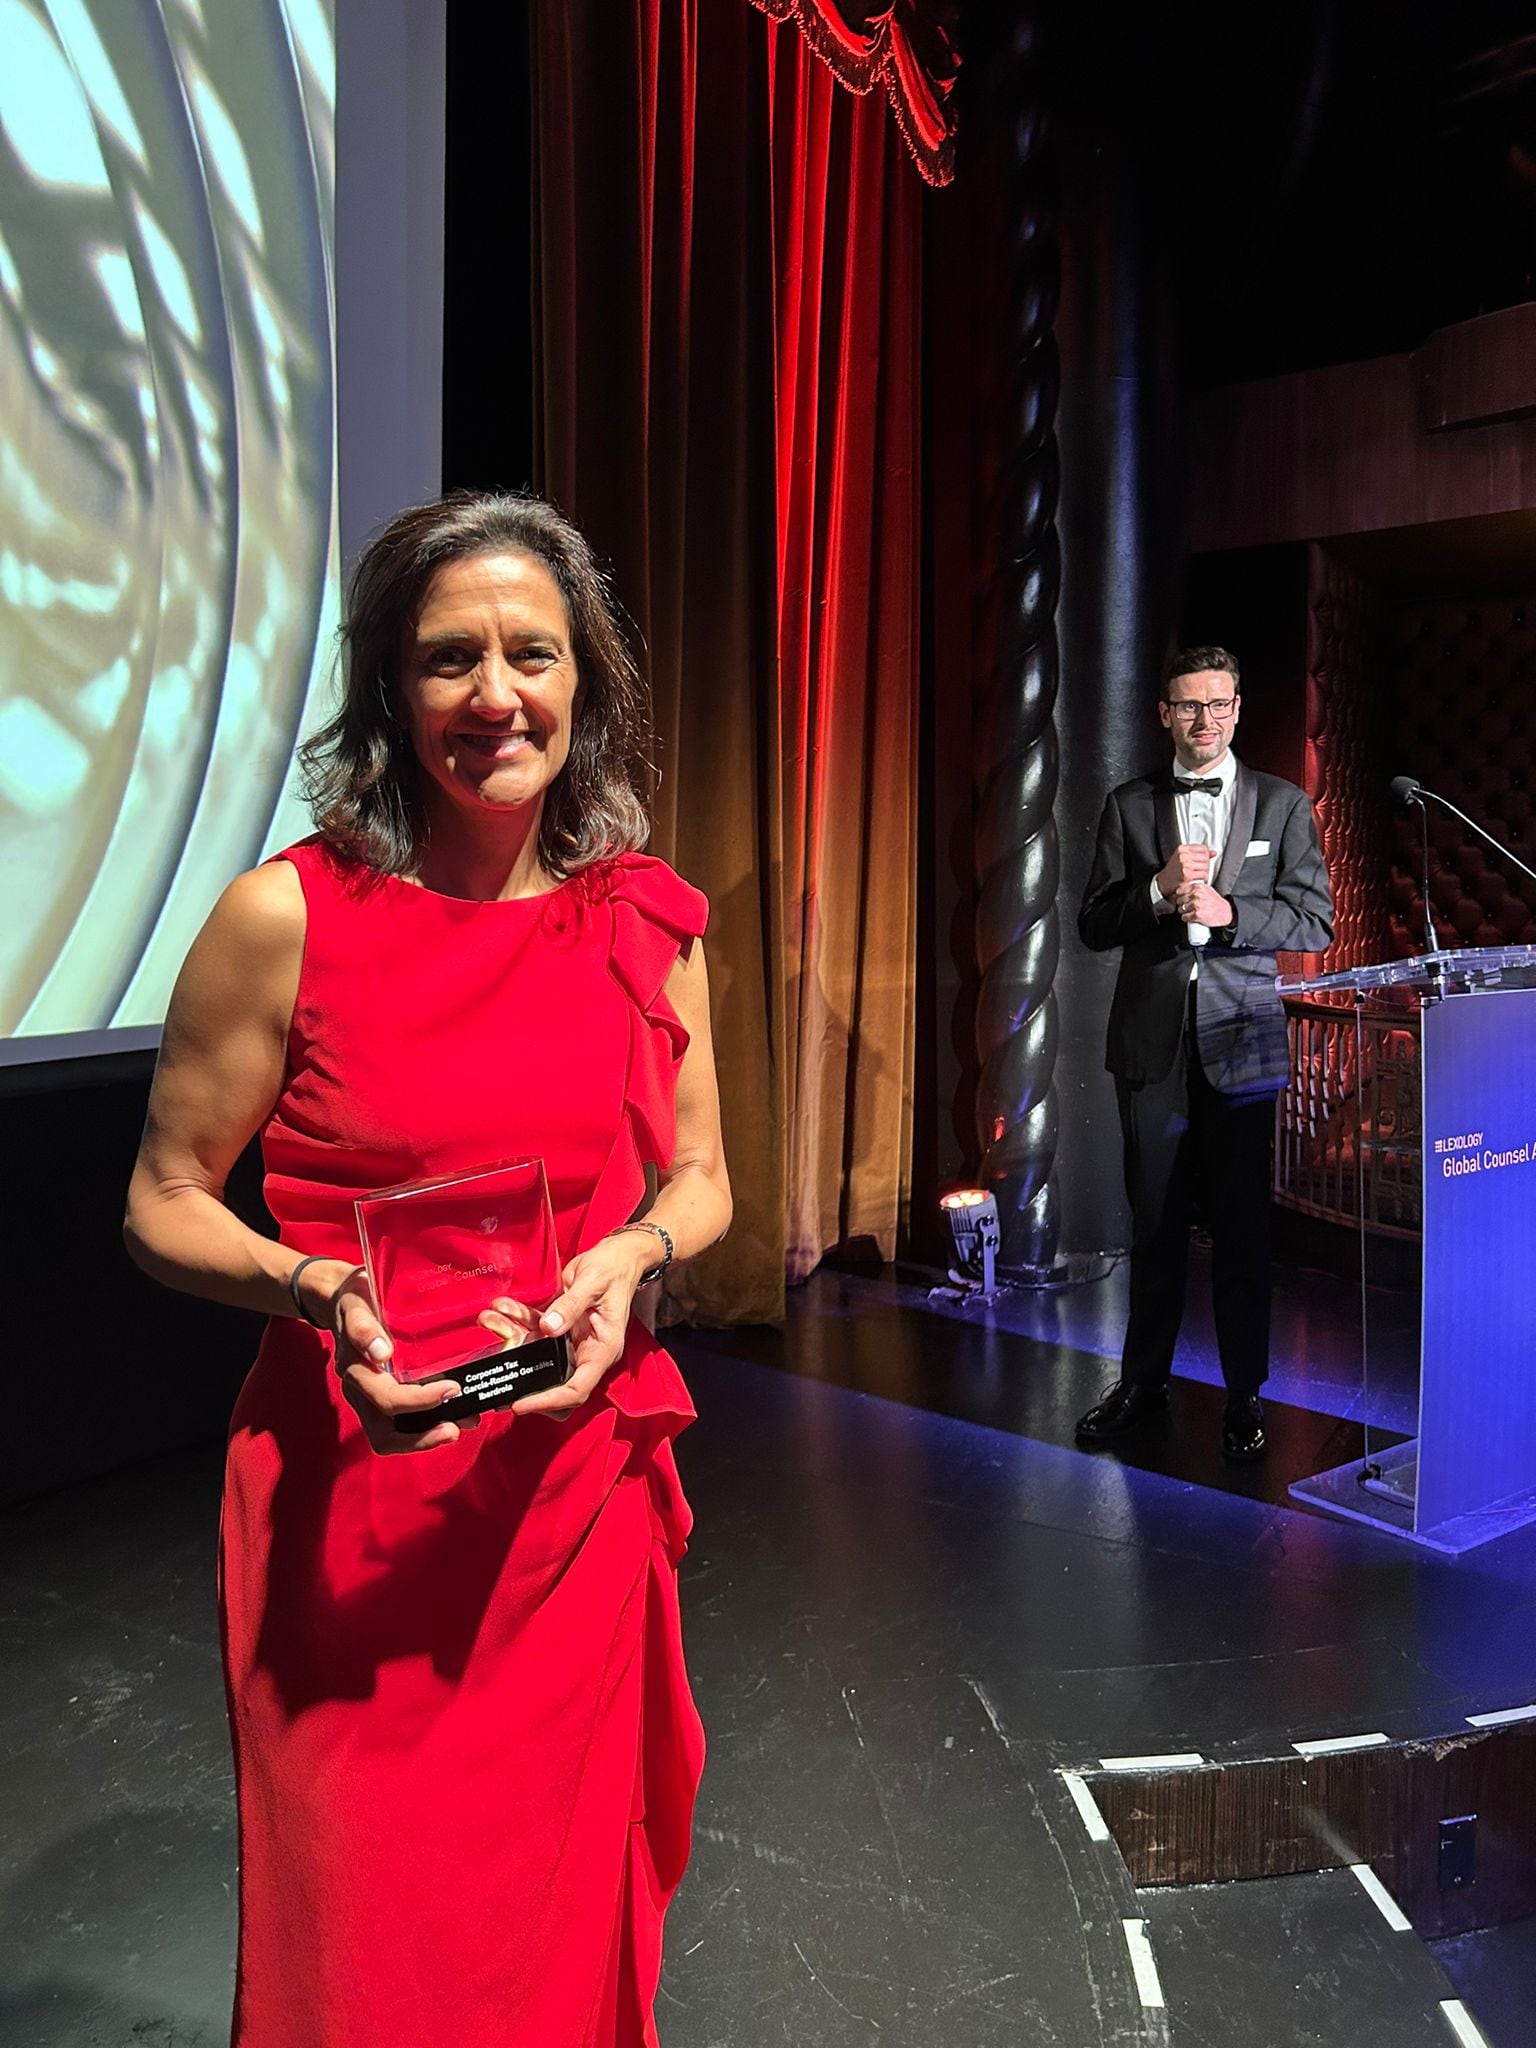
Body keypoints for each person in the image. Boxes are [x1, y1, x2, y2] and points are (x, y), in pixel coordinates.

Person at [124, 491, 732, 2047]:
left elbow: (704, 1182)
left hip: (565, 1502)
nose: (494, 694)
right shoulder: (284, 917)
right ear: (392, 691)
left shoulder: (645, 922)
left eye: (532, 653)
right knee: (365, 1957)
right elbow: (165, 1199)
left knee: (545, 1949)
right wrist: (322, 1290)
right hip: (353, 1510)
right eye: (448, 658)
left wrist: (630, 1257)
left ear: (582, 681)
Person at [1074, 646, 1332, 1462]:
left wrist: (1228, 914)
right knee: (1152, 1226)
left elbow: (1313, 922)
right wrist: (1153, 891)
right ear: (1164, 714)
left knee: (1241, 1230)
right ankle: (1144, 1384)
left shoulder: (1284, 805)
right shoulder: (1130, 804)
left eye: (1218, 704)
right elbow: (1094, 923)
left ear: (1239, 707)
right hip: (1152, 1049)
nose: (1205, 719)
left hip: (1243, 1044)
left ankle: (1245, 1395)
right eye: (1189, 706)